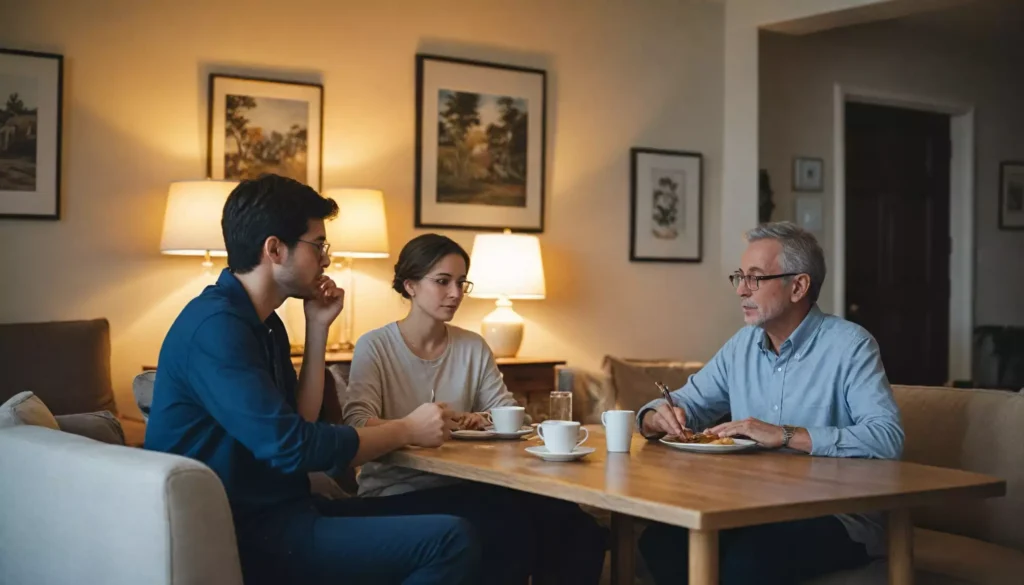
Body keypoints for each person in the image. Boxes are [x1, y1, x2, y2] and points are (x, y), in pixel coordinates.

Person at [144, 174, 480, 585]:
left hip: (288, 512)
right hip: (247, 531)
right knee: (450, 540)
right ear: (274, 249)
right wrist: (407, 429)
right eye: (318, 245)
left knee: (485, 508)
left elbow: (298, 421)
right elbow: (295, 447)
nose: (326, 260)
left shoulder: (264, 324)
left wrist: (317, 328)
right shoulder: (215, 328)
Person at [636, 221, 904, 585]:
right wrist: (656, 417)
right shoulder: (741, 346)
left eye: (755, 278)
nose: (741, 290)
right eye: (739, 277)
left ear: (798, 286)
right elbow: (685, 401)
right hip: (754, 507)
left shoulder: (851, 346)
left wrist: (785, 434)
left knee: (749, 561)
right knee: (661, 541)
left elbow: (887, 437)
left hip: (836, 515)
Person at [343, 233, 608, 585]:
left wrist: (481, 419)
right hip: (397, 491)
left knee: (576, 524)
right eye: (442, 281)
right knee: (506, 526)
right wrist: (417, 425)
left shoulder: (472, 346)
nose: (455, 293)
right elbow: (358, 423)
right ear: (410, 285)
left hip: (471, 484)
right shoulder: (375, 346)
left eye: (461, 282)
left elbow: (513, 415)